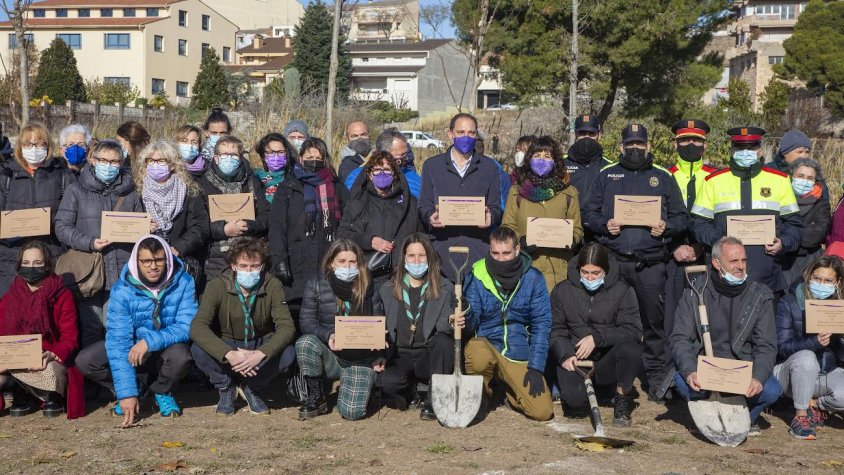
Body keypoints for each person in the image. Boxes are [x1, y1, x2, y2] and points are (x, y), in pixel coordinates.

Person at [582, 123, 687, 400]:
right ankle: (606, 378)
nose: (635, 149)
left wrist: (666, 226)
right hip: (614, 262)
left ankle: (655, 378)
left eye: (640, 144)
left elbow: (681, 217)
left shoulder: (662, 177)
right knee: (606, 320)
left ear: (649, 146)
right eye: (630, 144)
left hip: (650, 264)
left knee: (653, 323)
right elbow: (588, 213)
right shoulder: (607, 175)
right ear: (621, 147)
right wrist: (604, 225)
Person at [76, 235, 196, 423]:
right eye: (146, 261)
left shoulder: (184, 281)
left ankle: (161, 391)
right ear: (136, 261)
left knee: (181, 356)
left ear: (167, 259)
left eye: (159, 260)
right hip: (132, 349)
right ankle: (135, 390)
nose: (153, 266)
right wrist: (127, 393)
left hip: (165, 346)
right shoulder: (122, 289)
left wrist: (149, 342)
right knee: (86, 360)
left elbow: (187, 325)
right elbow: (119, 340)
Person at [671, 237, 782, 434]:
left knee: (771, 390)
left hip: (741, 368)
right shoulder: (695, 292)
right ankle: (706, 418)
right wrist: (690, 371)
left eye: (744, 260)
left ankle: (745, 419)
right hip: (706, 367)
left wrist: (757, 377)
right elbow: (680, 338)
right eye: (733, 261)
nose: (741, 266)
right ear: (716, 263)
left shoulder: (759, 295)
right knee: (682, 381)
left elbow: (766, 345)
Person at [691, 127, 803, 297]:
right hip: (724, 277)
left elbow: (794, 224)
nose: (745, 152)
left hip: (767, 276)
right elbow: (697, 223)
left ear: (760, 151)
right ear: (731, 151)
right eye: (740, 148)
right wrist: (718, 240)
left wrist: (783, 243)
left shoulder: (780, 180)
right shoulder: (713, 181)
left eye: (751, 148)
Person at [190, 237, 296, 416]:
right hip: (227, 342)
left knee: (288, 353)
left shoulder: (273, 285)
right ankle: (226, 387)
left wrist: (260, 354)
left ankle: (252, 387)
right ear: (233, 266)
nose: (249, 271)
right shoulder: (216, 286)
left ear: (262, 266)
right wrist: (229, 354)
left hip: (259, 342)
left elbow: (287, 327)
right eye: (243, 266)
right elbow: (198, 327)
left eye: (254, 266)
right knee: (197, 349)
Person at [55, 139, 144, 348]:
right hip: (89, 272)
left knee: (117, 327)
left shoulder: (131, 192)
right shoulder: (76, 190)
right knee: (91, 327)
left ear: (121, 163)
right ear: (93, 160)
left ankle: (115, 367)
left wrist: (146, 226)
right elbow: (62, 227)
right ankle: (92, 367)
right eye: (103, 160)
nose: (108, 165)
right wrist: (89, 242)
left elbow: (140, 227)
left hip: (122, 270)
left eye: (114, 162)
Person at [463, 227, 553, 421]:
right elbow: (471, 324)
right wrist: (465, 310)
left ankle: (508, 392)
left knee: (542, 412)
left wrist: (536, 367)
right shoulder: (476, 275)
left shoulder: (534, 277)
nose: (501, 259)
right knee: (477, 352)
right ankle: (483, 395)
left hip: (518, 351)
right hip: (487, 344)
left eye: (506, 253)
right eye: (495, 253)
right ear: (489, 250)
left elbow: (541, 324)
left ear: (517, 249)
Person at [550, 243, 642, 425]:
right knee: (574, 404)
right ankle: (589, 390)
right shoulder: (562, 291)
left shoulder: (623, 290)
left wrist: (597, 338)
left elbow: (632, 330)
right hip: (576, 358)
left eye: (595, 273)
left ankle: (621, 397)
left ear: (605, 270)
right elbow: (556, 329)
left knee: (631, 348)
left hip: (606, 359)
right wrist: (565, 354)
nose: (590, 278)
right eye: (584, 272)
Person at [295, 239, 380, 421]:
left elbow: (380, 321)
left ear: (359, 263)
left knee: (352, 413)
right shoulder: (316, 284)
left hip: (359, 357)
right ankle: (317, 395)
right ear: (331, 263)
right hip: (331, 355)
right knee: (305, 343)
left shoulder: (370, 286)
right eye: (341, 261)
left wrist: (380, 344)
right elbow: (306, 322)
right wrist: (328, 335)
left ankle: (366, 385)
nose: (347, 267)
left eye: (352, 262)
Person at [662, 119, 718, 395]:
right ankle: (671, 378)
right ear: (676, 144)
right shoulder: (665, 175)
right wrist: (673, 247)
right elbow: (659, 215)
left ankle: (707, 371)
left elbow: (717, 219)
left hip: (707, 254)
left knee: (708, 315)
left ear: (705, 145)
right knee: (672, 317)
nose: (691, 145)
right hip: (673, 255)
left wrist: (702, 247)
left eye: (696, 140)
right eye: (685, 140)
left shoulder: (716, 176)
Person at [375, 234, 455, 419]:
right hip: (399, 355)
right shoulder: (387, 289)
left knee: (444, 342)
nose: (417, 261)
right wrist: (379, 351)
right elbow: (380, 325)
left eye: (422, 255)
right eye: (411, 256)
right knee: (384, 382)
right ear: (403, 258)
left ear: (430, 258)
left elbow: (445, 323)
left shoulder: (445, 287)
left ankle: (434, 396)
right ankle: (411, 391)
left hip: (427, 355)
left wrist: (451, 322)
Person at [0, 241, 83, 418]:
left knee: (50, 371)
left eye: (37, 263)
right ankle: (19, 391)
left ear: (46, 265)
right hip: (16, 358)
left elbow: (70, 338)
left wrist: (52, 354)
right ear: (19, 265)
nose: (31, 268)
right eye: (26, 263)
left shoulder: (62, 294)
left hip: (47, 356)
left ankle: (52, 397)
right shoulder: (8, 297)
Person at [269, 137, 349, 321]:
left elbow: (348, 222)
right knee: (297, 316)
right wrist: (279, 259)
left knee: (328, 315)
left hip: (328, 260)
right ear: (301, 158)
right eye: (309, 157)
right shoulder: (288, 187)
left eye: (318, 157)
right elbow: (277, 226)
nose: (314, 160)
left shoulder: (337, 187)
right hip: (297, 263)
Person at [418, 113, 503, 281]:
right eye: (461, 132)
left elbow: (496, 207)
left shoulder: (489, 167)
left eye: (471, 133)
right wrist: (430, 216)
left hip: (478, 247)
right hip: (441, 247)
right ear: (450, 134)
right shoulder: (432, 166)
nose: (466, 137)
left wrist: (491, 217)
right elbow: (424, 205)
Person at [774, 256, 844, 440]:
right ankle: (801, 417)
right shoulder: (789, 302)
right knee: (806, 357)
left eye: (828, 281)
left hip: (825, 373)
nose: (821, 284)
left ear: (837, 283)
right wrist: (814, 342)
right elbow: (782, 347)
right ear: (808, 277)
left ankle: (816, 404)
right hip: (790, 373)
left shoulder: (840, 307)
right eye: (817, 278)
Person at [502, 136, 583, 291]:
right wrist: (521, 240)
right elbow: (507, 226)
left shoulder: (569, 192)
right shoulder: (516, 191)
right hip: (527, 265)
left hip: (559, 266)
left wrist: (572, 239)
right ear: (529, 159)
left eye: (547, 156)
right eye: (537, 155)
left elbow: (577, 228)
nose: (541, 160)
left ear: (555, 161)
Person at [0, 122, 68, 295]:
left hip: (50, 254)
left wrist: (50, 224)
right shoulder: (6, 174)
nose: (34, 148)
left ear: (48, 145)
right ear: (20, 147)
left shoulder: (61, 174)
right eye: (28, 144)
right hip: (12, 256)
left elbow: (70, 214)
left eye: (39, 143)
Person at [338, 150, 422, 290]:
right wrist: (369, 241)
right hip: (367, 276)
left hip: (401, 277)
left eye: (387, 170)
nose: (382, 173)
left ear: (395, 174)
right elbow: (343, 234)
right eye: (377, 170)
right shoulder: (358, 202)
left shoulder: (410, 203)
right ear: (370, 174)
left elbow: (420, 236)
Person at [135, 140, 210, 292]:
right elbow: (127, 224)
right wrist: (142, 227)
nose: (155, 165)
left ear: (172, 164)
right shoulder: (136, 191)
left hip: (179, 262)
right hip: (147, 265)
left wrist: (178, 248)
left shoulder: (189, 190)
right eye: (151, 161)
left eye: (161, 161)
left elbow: (200, 227)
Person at [196, 135, 269, 282]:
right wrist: (223, 229)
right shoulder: (202, 184)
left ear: (241, 158)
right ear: (216, 158)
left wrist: (249, 226)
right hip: (215, 257)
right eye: (224, 154)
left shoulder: (252, 182)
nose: (229, 158)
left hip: (249, 253)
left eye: (234, 155)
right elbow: (198, 223)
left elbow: (266, 215)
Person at [780, 158, 829, 287]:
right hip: (780, 262)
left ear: (815, 181)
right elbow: (772, 228)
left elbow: (817, 235)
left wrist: (785, 239)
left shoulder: (821, 204)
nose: (804, 181)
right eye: (800, 176)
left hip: (808, 263)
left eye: (810, 178)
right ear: (791, 176)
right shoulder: (779, 199)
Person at [344, 128, 421, 198]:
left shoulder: (412, 176)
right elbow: (349, 202)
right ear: (384, 154)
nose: (405, 158)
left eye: (405, 154)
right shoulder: (357, 176)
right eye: (402, 154)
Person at [563, 115, 614, 210]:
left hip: (596, 219)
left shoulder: (609, 168)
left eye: (591, 133)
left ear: (599, 135)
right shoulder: (560, 163)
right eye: (582, 133)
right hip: (568, 218)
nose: (587, 137)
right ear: (575, 135)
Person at [253, 132, 294, 203]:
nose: (276, 156)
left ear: (287, 154)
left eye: (281, 152)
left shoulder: (293, 179)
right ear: (263, 155)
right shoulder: (254, 180)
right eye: (271, 152)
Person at [337, 120, 372, 185]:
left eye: (363, 134)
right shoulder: (346, 166)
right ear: (347, 140)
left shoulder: (379, 157)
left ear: (369, 136)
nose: (360, 139)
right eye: (354, 136)